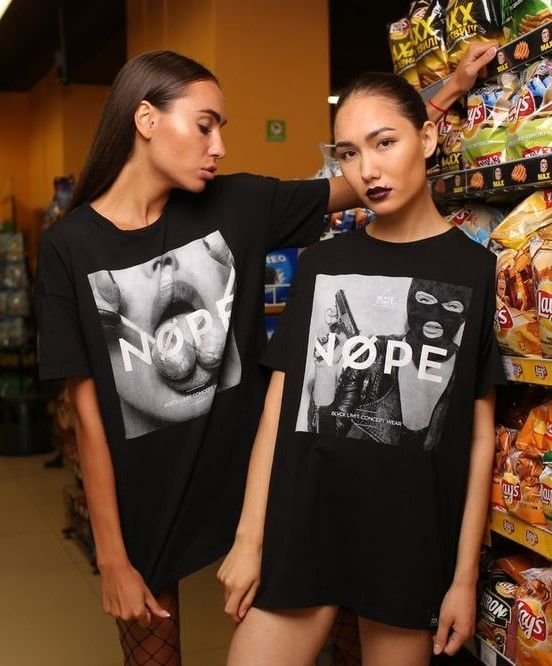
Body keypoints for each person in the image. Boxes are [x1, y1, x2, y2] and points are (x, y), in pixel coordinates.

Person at [33, 41, 495, 665]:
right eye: (205, 126)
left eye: (221, 127)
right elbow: (88, 416)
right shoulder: (69, 247)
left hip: (256, 480)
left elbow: (366, 178)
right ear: (146, 120)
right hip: (150, 497)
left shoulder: (239, 204)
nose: (220, 145)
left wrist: (445, 95)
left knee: (338, 633)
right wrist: (111, 555)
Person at [218, 68, 505, 666]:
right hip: (305, 524)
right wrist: (249, 540)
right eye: (349, 153)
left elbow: (478, 437)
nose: (367, 170)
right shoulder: (321, 264)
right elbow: (279, 408)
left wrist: (463, 578)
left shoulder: (474, 272)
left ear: (427, 137)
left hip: (406, 540)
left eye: (384, 142)